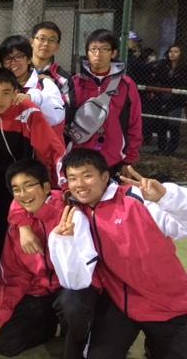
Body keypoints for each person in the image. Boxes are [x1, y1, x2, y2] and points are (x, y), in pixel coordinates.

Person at [61, 148, 187, 358]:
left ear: (104, 176)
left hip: (167, 301)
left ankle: (155, 344)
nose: (79, 184)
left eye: (87, 175)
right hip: (119, 303)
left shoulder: (137, 199)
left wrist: (166, 198)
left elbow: (182, 227)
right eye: (72, 178)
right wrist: (23, 226)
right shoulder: (73, 208)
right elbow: (35, 198)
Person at [0, 158, 98, 358]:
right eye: (17, 189)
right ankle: (53, 326)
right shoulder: (17, 226)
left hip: (70, 290)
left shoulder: (70, 210)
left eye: (29, 186)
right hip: (38, 292)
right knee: (2, 341)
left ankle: (77, 336)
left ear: (46, 187)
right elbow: (13, 275)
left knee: (72, 306)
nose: (23, 194)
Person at [0, 68, 65, 266]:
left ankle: (44, 273)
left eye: (6, 92)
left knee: (38, 237)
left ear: (16, 93)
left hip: (33, 183)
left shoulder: (28, 112)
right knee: (0, 235)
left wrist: (61, 185)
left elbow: (53, 150)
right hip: (1, 186)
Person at [68, 29, 142, 176]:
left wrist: (129, 159)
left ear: (113, 53)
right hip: (79, 157)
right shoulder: (75, 83)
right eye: (93, 49)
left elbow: (135, 123)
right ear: (87, 53)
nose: (98, 54)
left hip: (114, 159)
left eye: (104, 49)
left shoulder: (126, 85)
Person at [0, 35, 65, 132]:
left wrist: (32, 99)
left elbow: (56, 117)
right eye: (7, 58)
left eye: (18, 56)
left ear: (29, 59)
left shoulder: (44, 84)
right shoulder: (0, 87)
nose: (13, 62)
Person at [149, 43, 187, 154]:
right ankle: (161, 148)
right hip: (162, 96)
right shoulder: (163, 65)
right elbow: (157, 79)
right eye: (171, 51)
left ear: (180, 54)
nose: (172, 54)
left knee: (173, 124)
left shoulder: (184, 68)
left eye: (176, 52)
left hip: (177, 98)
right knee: (161, 123)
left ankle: (171, 149)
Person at [30, 21, 72, 107]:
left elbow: (66, 109)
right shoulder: (19, 69)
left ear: (57, 46)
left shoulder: (64, 79)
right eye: (42, 38)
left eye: (52, 40)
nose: (46, 44)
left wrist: (53, 88)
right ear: (32, 42)